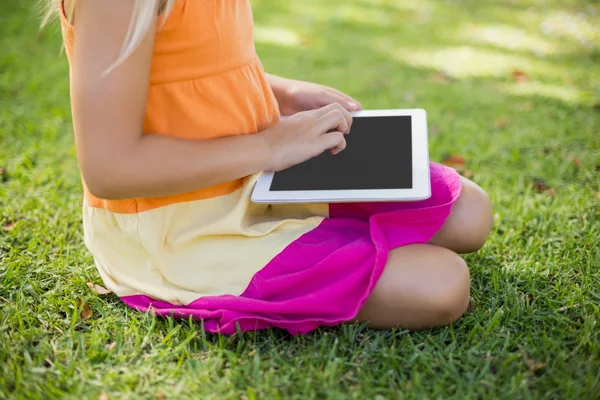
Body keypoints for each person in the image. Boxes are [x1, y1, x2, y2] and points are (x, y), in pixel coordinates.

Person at [44, 0, 493, 335]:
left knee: (471, 213)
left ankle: (327, 231)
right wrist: (266, 147)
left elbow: (192, 62)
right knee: (442, 285)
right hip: (181, 224)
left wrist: (284, 93)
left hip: (255, 171)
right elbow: (110, 168)